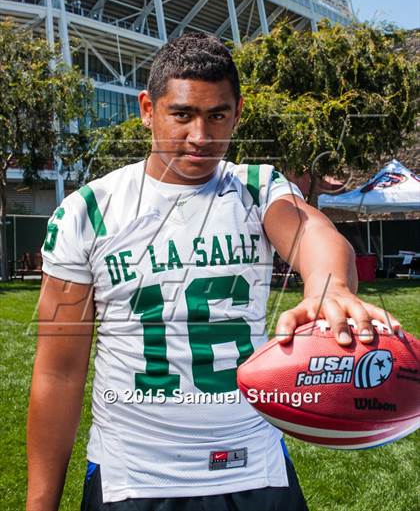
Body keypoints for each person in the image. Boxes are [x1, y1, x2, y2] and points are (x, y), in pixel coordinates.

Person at [27, 32, 400, 511]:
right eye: (182, 114)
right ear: (147, 109)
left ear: (237, 112)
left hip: (253, 466)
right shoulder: (88, 211)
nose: (200, 137)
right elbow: (58, 372)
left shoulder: (256, 187)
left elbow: (314, 232)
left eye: (217, 115)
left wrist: (331, 285)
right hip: (135, 478)